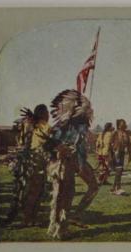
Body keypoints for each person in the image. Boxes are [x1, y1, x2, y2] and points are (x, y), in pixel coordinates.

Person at [46, 89, 98, 239]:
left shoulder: (82, 126)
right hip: (63, 163)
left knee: (93, 187)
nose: (90, 111)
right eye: (87, 108)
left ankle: (75, 216)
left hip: (77, 160)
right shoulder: (63, 125)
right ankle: (59, 229)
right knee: (64, 195)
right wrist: (60, 149)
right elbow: (49, 143)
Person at [110, 119, 131, 196]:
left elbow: (129, 145)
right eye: (123, 123)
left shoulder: (127, 133)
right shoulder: (115, 133)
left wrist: (130, 155)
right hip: (116, 153)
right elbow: (110, 143)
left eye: (125, 123)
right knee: (119, 170)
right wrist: (111, 154)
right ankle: (118, 188)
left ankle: (114, 188)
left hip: (122, 153)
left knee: (119, 171)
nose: (125, 124)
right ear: (119, 125)